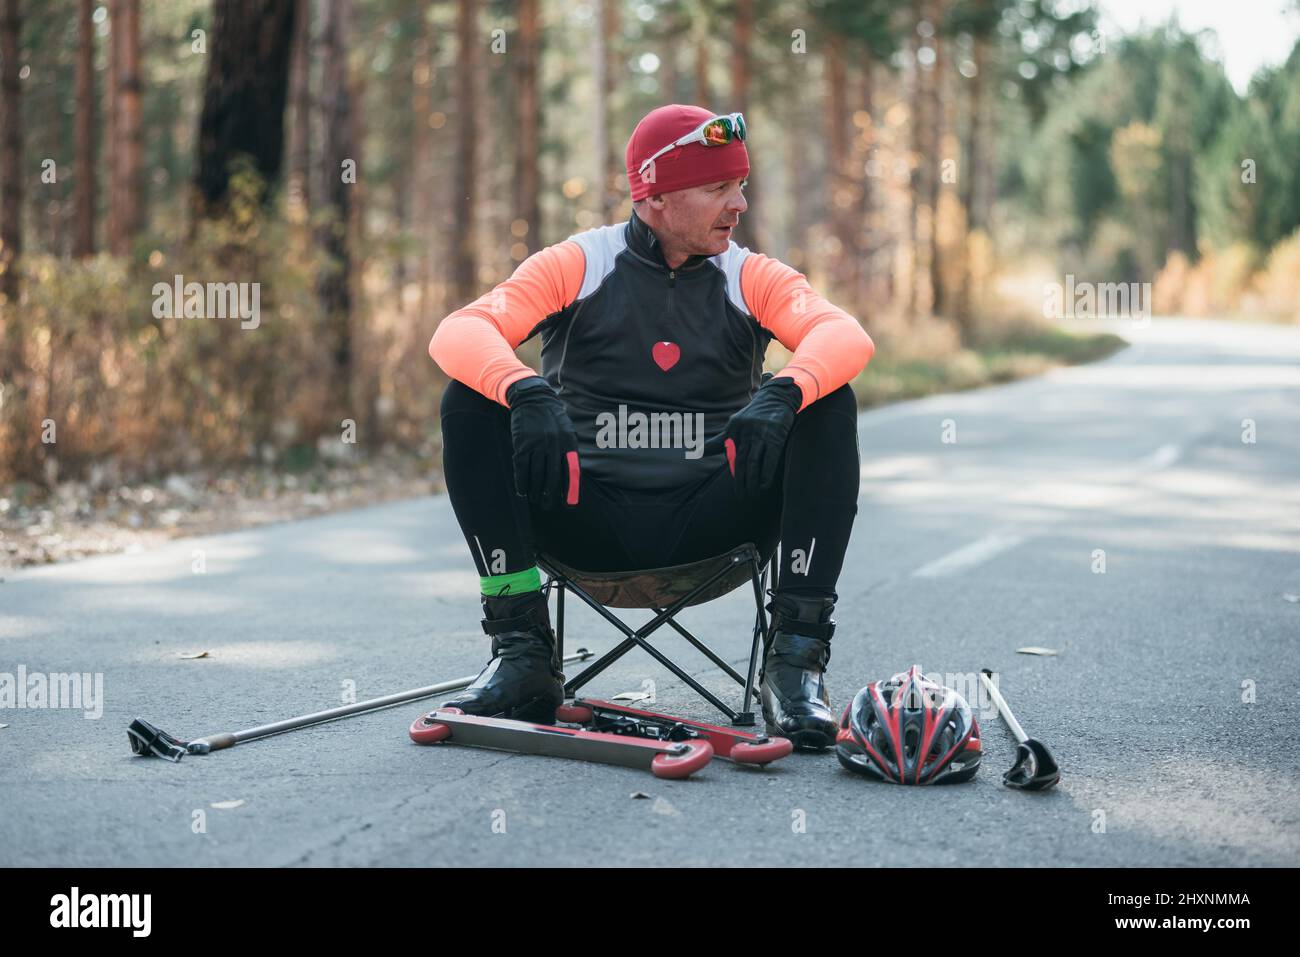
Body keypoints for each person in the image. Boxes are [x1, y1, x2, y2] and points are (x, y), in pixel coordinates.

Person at [427, 104, 874, 751]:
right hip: (585, 521)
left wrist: (784, 390)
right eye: (719, 188)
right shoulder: (579, 263)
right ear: (657, 194)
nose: (739, 203)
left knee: (827, 400)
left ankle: (796, 663)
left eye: (740, 185)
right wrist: (522, 388)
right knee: (468, 398)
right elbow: (460, 330)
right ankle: (521, 651)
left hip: (713, 526)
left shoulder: (750, 276)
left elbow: (843, 334)